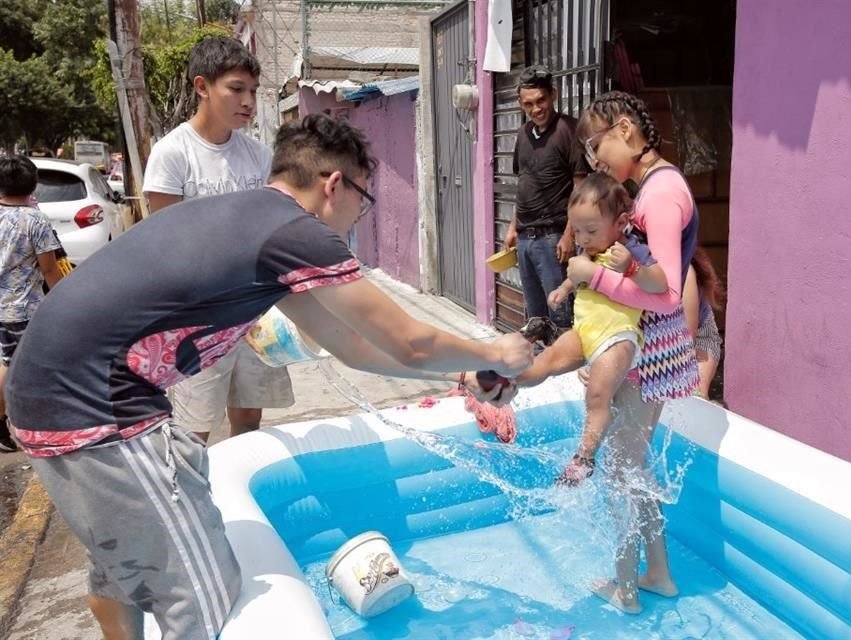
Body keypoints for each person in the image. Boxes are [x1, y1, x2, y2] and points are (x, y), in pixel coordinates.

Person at [5, 113, 533, 640]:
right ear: (333, 185)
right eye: (362, 201)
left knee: (126, 568)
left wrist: (464, 372)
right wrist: (498, 349)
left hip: (50, 392)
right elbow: (411, 342)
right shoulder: (298, 232)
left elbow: (351, 347)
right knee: (204, 594)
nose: (357, 218)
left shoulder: (253, 221)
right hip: (96, 406)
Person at [486, 91, 700, 614]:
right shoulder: (646, 188)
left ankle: (625, 590)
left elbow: (669, 290)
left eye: (597, 144)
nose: (594, 159)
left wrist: (594, 276)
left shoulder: (661, 193)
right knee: (636, 468)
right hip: (640, 342)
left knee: (623, 474)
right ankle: (658, 574)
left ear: (625, 130)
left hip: (646, 349)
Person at [143, 35, 293, 441]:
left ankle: (239, 497)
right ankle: (194, 502)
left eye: (253, 91)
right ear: (202, 86)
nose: (247, 101)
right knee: (194, 428)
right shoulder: (173, 154)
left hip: (253, 308)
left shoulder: (258, 155)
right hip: (199, 314)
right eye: (236, 88)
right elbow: (167, 241)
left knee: (248, 415)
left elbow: (271, 224)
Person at [513, 173, 667, 486]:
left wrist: (632, 269)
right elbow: (580, 276)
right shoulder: (589, 251)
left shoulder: (629, 251)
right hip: (585, 330)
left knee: (597, 395)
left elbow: (660, 284)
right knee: (547, 360)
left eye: (590, 230)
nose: (582, 239)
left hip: (617, 338)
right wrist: (564, 288)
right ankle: (503, 382)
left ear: (620, 222)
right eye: (577, 230)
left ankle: (584, 457)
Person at [505, 65, 590, 329]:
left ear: (553, 94)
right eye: (528, 103)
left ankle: (563, 366)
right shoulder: (522, 134)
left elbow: (581, 188)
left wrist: (569, 234)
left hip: (553, 239)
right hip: (525, 239)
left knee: (560, 312)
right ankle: (542, 365)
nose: (536, 109)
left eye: (541, 100)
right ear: (520, 104)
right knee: (535, 317)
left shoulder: (569, 130)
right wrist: (512, 227)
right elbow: (524, 182)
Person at [0, 155, 63, 452]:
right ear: (33, 184)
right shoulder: (34, 220)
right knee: (32, 368)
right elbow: (49, 268)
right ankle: (38, 425)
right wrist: (65, 299)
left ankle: (2, 426)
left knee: (4, 364)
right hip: (26, 310)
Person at [682, 248, 725, 399]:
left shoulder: (686, 272)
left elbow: (687, 345)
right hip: (655, 336)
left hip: (698, 337)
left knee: (694, 393)